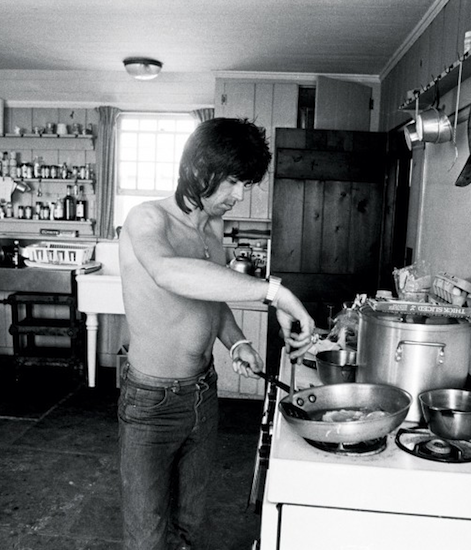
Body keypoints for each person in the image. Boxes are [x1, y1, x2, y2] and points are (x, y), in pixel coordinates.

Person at [117, 117, 316, 550]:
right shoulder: (147, 219)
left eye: (245, 185)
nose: (239, 196)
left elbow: (209, 294)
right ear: (198, 168)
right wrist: (275, 294)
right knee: (146, 534)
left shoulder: (212, 229)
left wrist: (238, 342)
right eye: (232, 182)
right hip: (152, 400)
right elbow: (169, 274)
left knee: (191, 521)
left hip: (204, 392)